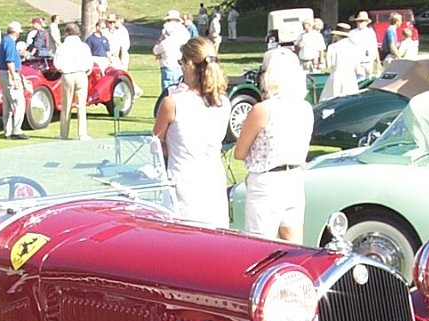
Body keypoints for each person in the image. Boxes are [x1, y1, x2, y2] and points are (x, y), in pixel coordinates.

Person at [234, 48, 313, 242]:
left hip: (267, 181)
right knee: (294, 244)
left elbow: (239, 152)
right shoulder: (304, 108)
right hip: (294, 177)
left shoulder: (262, 110)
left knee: (259, 246)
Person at [152, 36, 231, 228]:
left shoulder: (173, 103)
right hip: (213, 180)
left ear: (188, 64)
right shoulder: (224, 102)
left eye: (181, 62)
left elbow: (155, 143)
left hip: (184, 183)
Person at [53, 22, 93, 140]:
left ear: (66, 33)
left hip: (67, 75)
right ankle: (82, 133)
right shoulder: (83, 46)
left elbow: (57, 63)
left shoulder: (62, 47)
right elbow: (89, 63)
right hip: (81, 74)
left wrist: (62, 69)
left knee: (66, 105)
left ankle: (63, 134)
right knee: (81, 105)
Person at [0, 21, 29, 140]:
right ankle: (16, 129)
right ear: (16, 32)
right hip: (10, 73)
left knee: (7, 102)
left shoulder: (4, 40)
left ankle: (8, 130)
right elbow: (9, 61)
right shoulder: (10, 42)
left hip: (3, 73)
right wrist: (15, 78)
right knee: (18, 102)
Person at [319, 23, 361, 101]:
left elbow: (329, 64)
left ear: (337, 35)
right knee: (350, 101)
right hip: (350, 78)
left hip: (337, 77)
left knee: (331, 101)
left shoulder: (333, 47)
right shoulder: (355, 47)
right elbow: (357, 66)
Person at [153, 11, 190, 94]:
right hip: (181, 67)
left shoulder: (167, 40)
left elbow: (156, 50)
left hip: (168, 67)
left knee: (168, 93)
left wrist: (160, 40)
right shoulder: (184, 34)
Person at [349, 11, 378, 77]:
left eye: (362, 21)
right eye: (359, 21)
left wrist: (377, 61)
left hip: (369, 62)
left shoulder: (370, 32)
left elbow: (374, 47)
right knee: (359, 80)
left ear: (366, 22)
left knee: (368, 80)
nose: (360, 23)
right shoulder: (352, 33)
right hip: (357, 62)